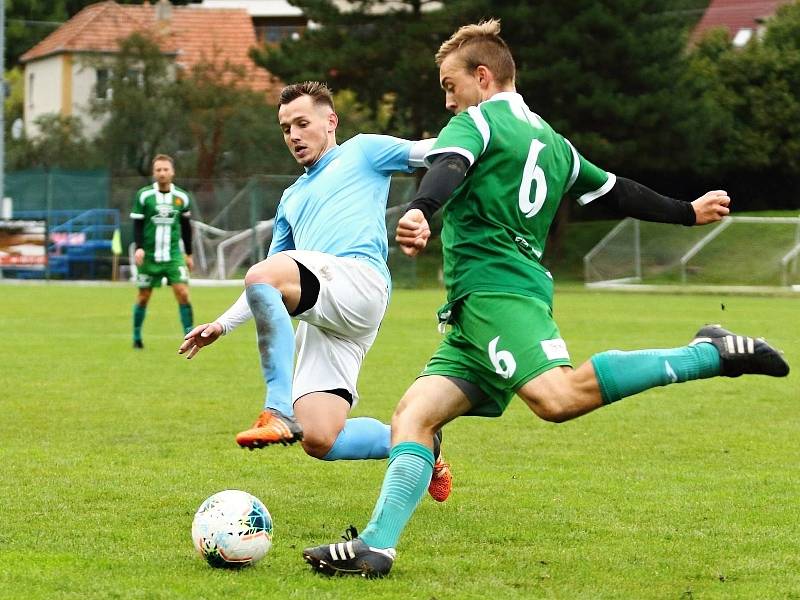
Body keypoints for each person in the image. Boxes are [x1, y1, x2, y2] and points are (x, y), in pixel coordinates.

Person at [302, 19, 791, 578]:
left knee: (557, 398)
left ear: (482, 77)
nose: (447, 100)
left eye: (449, 85)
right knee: (412, 417)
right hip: (473, 311)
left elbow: (449, 166)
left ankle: (712, 353)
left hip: (498, 294)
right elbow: (616, 189)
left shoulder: (478, 122)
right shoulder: (552, 142)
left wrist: (421, 210)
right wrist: (686, 211)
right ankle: (377, 546)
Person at [178, 82, 452, 502]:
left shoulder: (363, 151)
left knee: (266, 276)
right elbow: (263, 284)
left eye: (302, 123)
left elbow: (434, 150)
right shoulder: (291, 198)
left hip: (360, 284)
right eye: (286, 128)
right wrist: (220, 324)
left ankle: (276, 408)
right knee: (322, 438)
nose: (294, 135)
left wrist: (483, 131)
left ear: (330, 122)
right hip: (325, 312)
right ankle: (423, 442)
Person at [131, 154, 194, 349]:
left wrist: (189, 254)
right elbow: (137, 224)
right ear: (153, 173)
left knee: (183, 293)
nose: (162, 173)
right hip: (149, 256)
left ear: (172, 172)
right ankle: (136, 337)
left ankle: (189, 336)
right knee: (143, 296)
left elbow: (186, 227)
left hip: (173, 255)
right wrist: (139, 247)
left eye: (165, 169)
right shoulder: (144, 195)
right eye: (158, 170)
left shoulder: (182, 197)